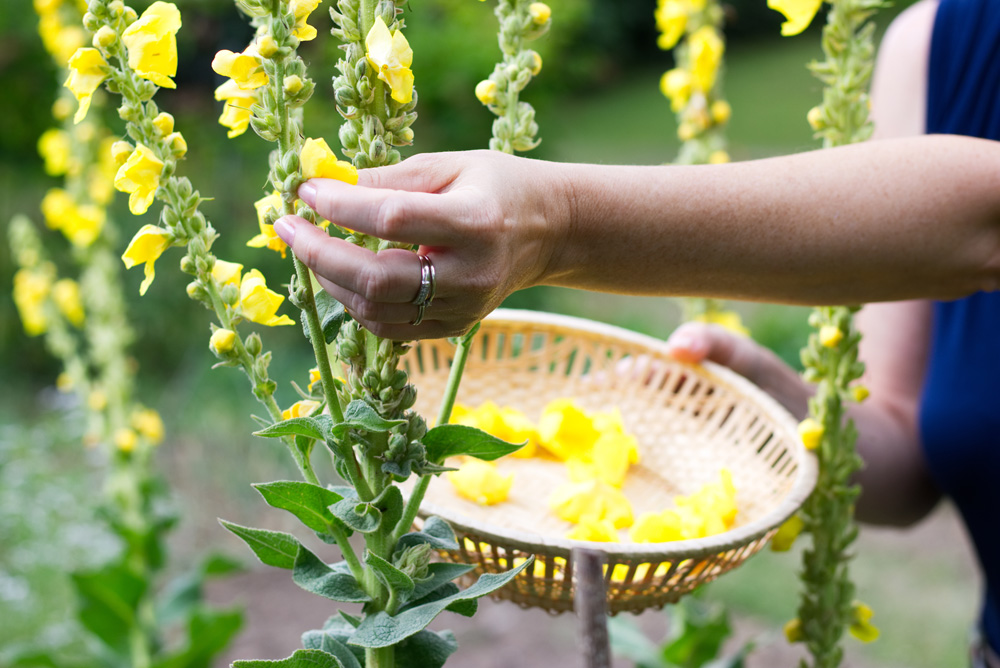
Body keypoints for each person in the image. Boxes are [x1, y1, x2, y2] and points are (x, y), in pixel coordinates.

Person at [273, 0, 1000, 663]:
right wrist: (770, 399)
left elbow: (982, 225)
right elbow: (912, 467)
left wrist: (554, 225)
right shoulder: (933, 45)